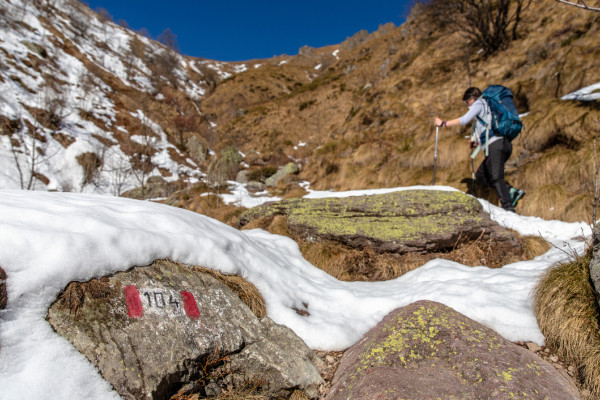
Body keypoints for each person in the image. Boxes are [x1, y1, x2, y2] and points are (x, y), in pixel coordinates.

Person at [434, 87, 525, 212]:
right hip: (504, 144)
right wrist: (477, 141)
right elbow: (487, 126)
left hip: (495, 145)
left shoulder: (480, 103)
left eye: (466, 102)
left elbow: (464, 120)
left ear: (472, 98)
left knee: (496, 177)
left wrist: (443, 123)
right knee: (482, 175)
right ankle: (511, 192)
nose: (467, 105)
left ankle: (509, 209)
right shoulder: (487, 107)